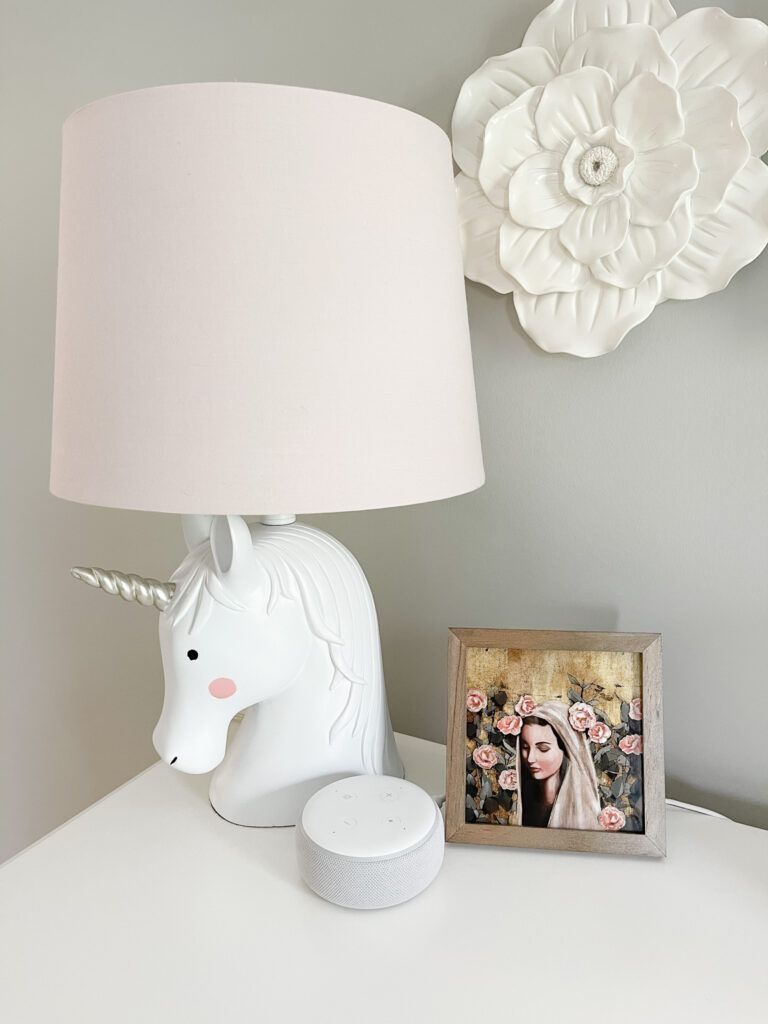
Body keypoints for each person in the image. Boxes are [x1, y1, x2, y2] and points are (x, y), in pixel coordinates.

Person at [515, 701, 600, 830]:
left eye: (543, 749)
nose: (530, 758)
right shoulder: (525, 803)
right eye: (525, 747)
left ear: (566, 749)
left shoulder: (583, 812)